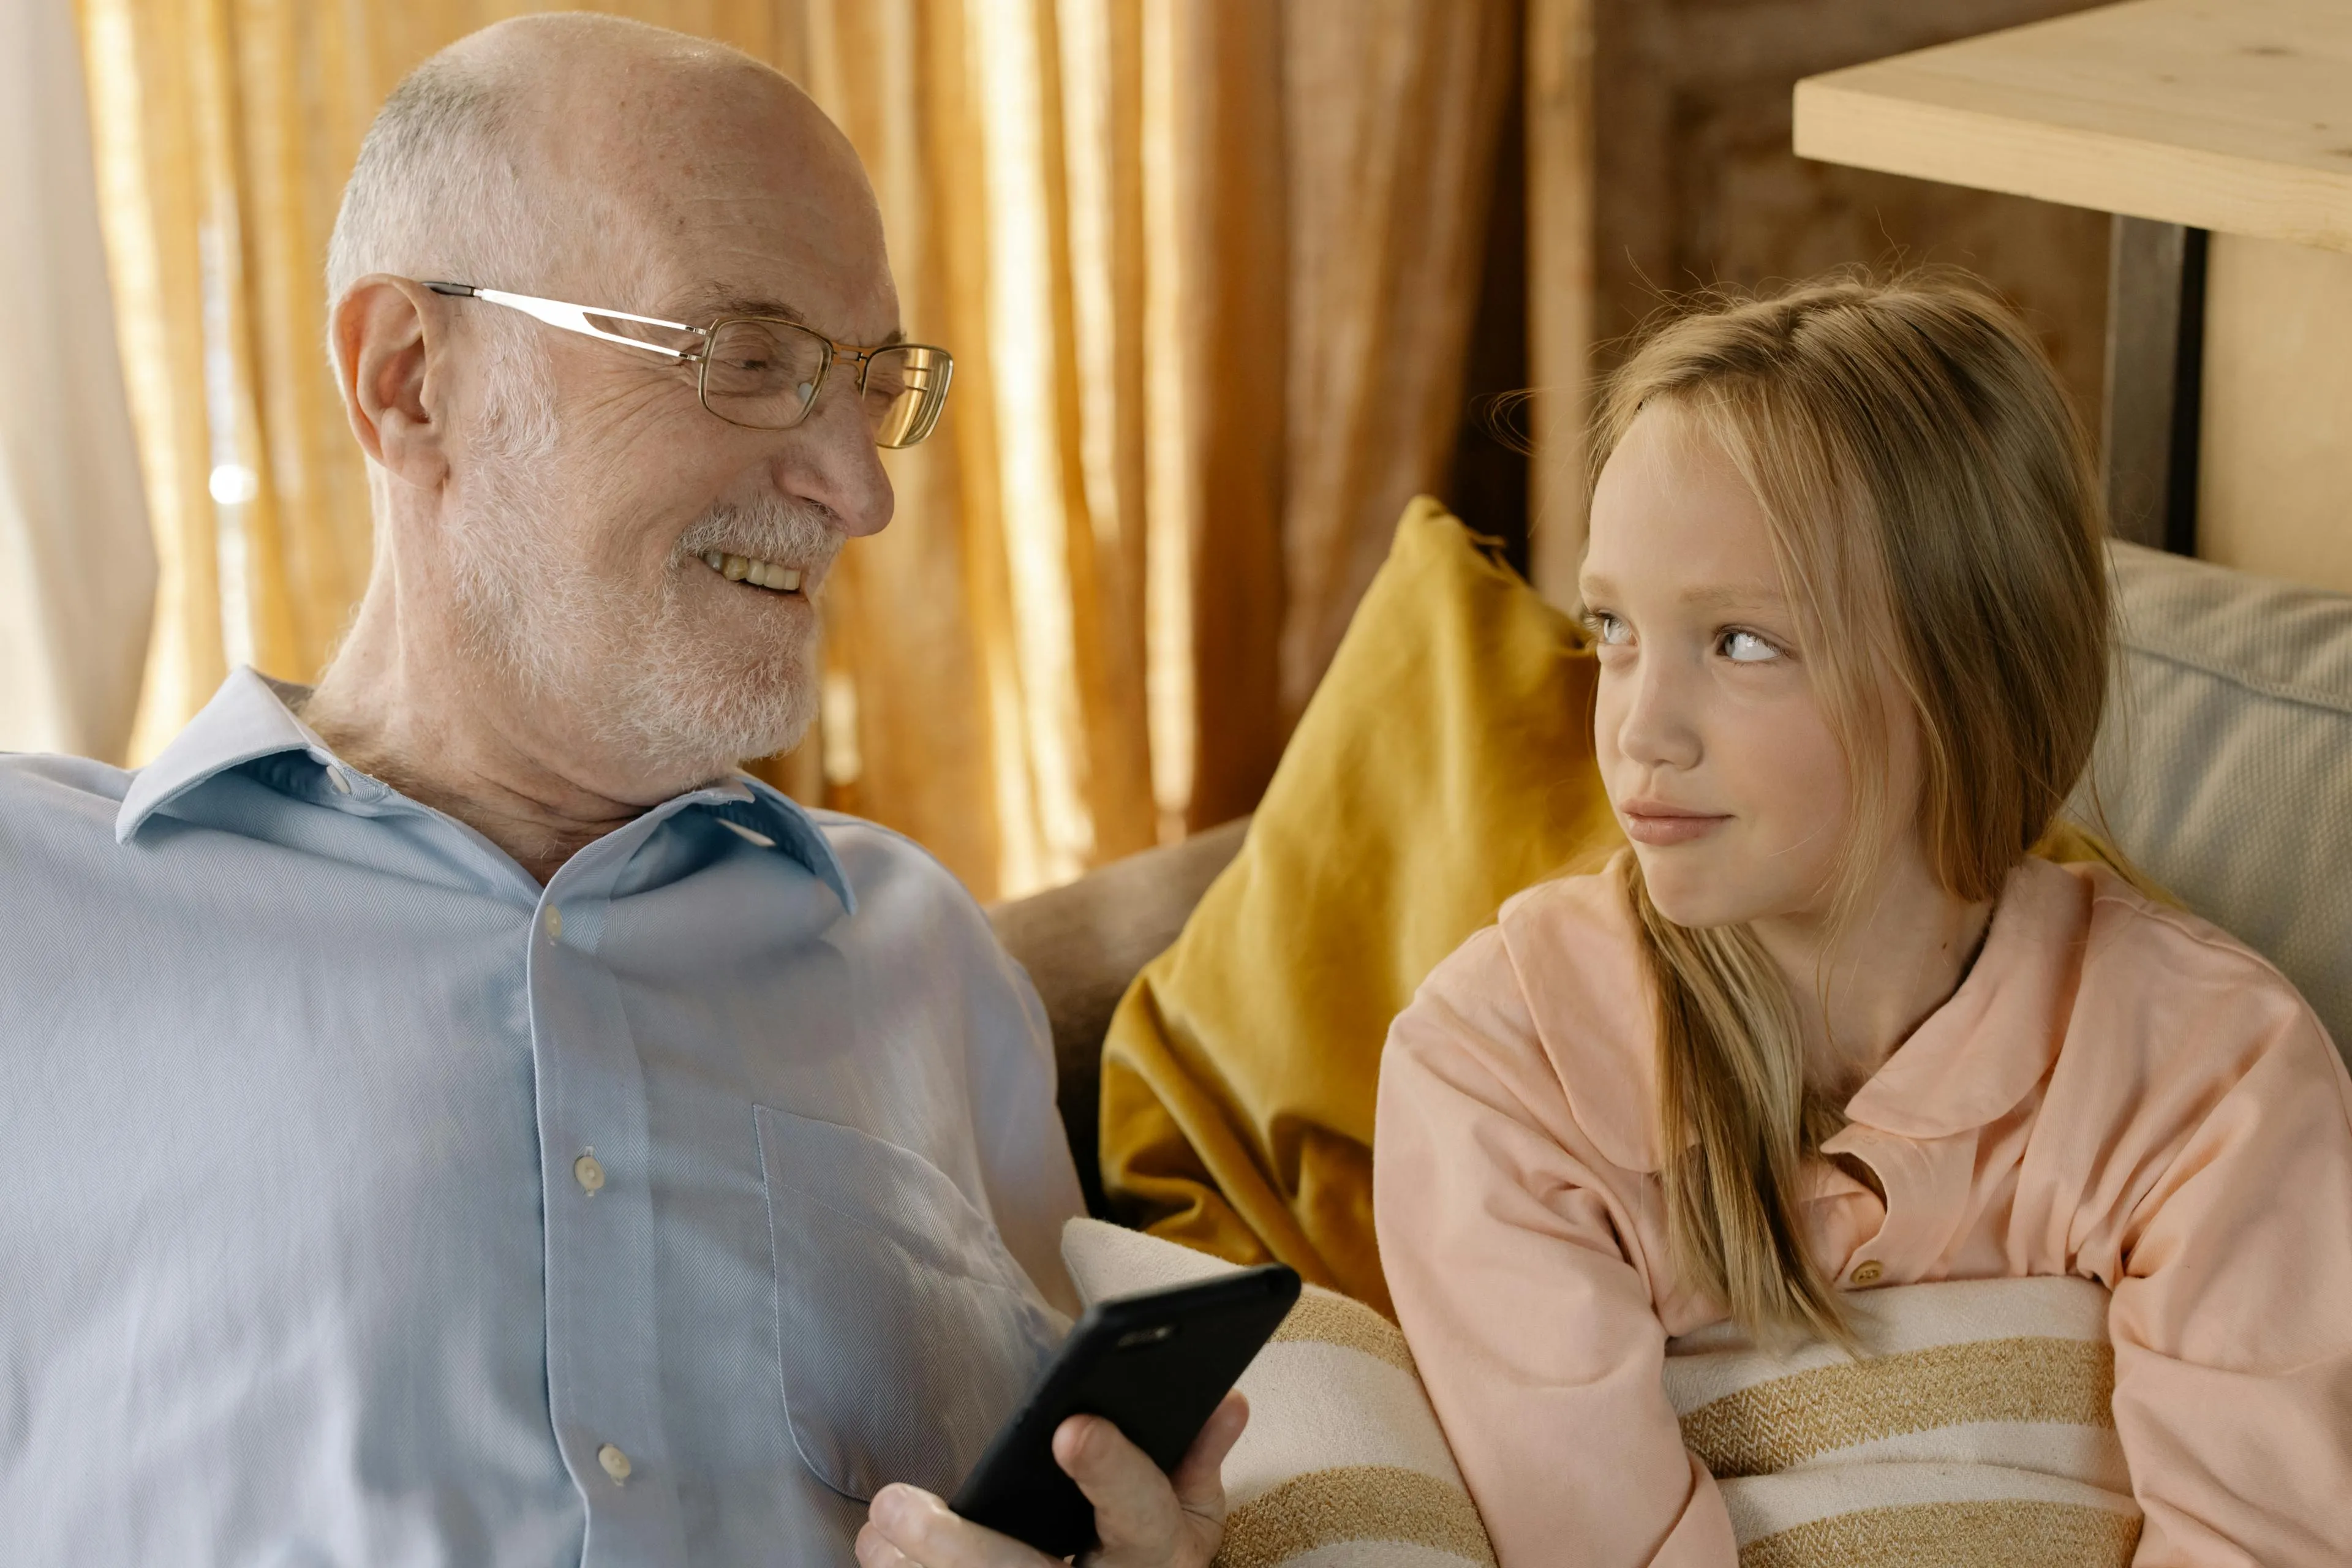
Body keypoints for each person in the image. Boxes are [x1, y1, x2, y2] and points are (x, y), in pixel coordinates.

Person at [0, 15, 1240, 1566]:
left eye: (870, 383)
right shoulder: (26, 908)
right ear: (410, 381)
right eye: (751, 360)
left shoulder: (921, 956)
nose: (862, 491)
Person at [1373, 276, 2352, 1566]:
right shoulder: (1500, 1061)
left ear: (1965, 673)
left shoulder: (2214, 1065)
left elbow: (2256, 1541)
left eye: (1737, 641)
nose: (1639, 730)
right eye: (1612, 628)